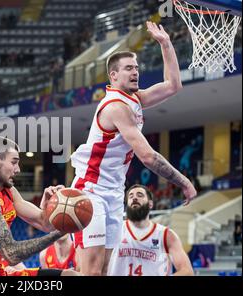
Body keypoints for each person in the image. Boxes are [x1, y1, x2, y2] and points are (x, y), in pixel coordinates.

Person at [70, 21, 197, 276]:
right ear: (113, 75)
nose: (135, 72)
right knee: (91, 272)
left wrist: (166, 44)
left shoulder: (135, 99)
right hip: (91, 191)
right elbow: (148, 156)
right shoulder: (116, 107)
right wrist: (183, 181)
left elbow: (173, 85)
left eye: (137, 67)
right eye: (129, 68)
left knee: (105, 270)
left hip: (115, 194)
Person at [0, 136, 81, 276]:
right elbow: (11, 254)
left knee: (70, 275)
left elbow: (44, 223)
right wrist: (61, 232)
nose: (17, 170)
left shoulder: (9, 190)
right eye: (14, 162)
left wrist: (52, 207)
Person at [108, 184, 194, 276]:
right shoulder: (115, 229)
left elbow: (187, 271)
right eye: (131, 196)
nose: (134, 198)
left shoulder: (166, 235)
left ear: (150, 204)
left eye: (140, 195)